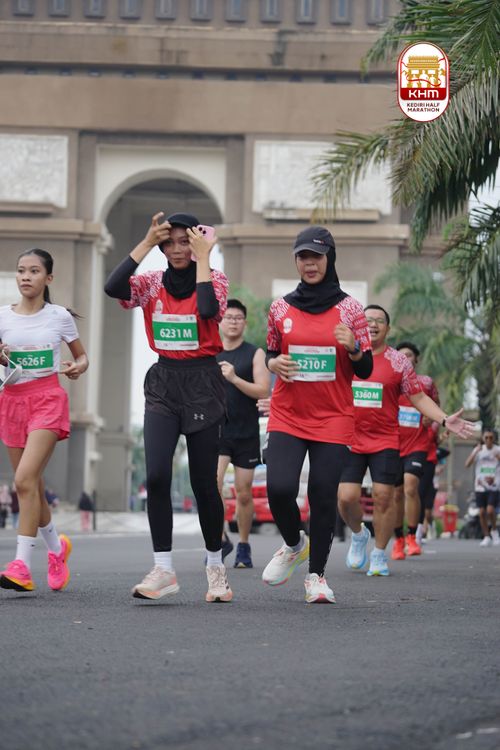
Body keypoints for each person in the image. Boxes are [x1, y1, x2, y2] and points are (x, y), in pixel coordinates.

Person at [104, 212, 232, 603]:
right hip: (163, 382)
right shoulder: (150, 283)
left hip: (203, 382)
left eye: (184, 242)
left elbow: (207, 309)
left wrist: (203, 258)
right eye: (169, 243)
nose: (177, 250)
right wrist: (145, 242)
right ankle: (163, 569)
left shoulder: (215, 279)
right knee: (157, 475)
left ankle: (215, 568)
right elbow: (112, 287)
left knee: (203, 484)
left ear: (196, 243)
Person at [261, 226, 373, 604]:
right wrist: (274, 364)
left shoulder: (351, 310)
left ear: (330, 259)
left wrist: (354, 348)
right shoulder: (280, 308)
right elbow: (270, 351)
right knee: (279, 488)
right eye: (303, 257)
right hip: (288, 414)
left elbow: (365, 370)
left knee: (323, 494)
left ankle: (317, 576)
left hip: (333, 416)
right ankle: (295, 545)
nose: (310, 264)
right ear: (296, 261)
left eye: (317, 257)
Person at [338, 305, 475, 577]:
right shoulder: (345, 356)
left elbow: (419, 397)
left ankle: (379, 554)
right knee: (346, 498)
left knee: (384, 497)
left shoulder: (398, 361)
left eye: (379, 320)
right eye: (367, 320)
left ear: (388, 329)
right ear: (358, 326)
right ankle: (359, 534)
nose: (373, 324)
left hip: (385, 439)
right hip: (350, 438)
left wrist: (444, 419)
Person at [0, 248, 88, 592]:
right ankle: (56, 549)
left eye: (34, 271)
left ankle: (21, 565)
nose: (26, 276)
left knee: (23, 480)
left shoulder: (59, 316)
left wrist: (77, 368)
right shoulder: (3, 316)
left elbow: (82, 357)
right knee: (31, 485)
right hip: (12, 401)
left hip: (47, 399)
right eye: (21, 270)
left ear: (48, 277)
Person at [216, 298, 270, 568]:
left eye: (238, 318)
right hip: (217, 430)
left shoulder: (254, 353)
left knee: (244, 492)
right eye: (228, 317)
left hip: (246, 431)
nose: (233, 322)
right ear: (220, 321)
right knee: (212, 485)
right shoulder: (210, 352)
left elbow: (263, 390)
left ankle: (244, 545)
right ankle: (220, 539)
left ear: (244, 323)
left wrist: (235, 378)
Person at [391, 341, 440, 560]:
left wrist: (432, 423)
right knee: (396, 493)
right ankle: (398, 540)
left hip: (418, 444)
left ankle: (412, 536)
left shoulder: (426, 383)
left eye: (409, 355)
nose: (405, 359)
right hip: (392, 444)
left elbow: (436, 410)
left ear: (416, 360)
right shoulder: (389, 382)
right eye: (401, 355)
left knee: (411, 487)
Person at [465, 430, 500, 547]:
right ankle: (486, 536)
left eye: (491, 438)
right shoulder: (479, 450)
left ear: (494, 439)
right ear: (483, 438)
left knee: (490, 510)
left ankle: (494, 531)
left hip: (494, 486)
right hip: (480, 486)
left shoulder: (498, 450)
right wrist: (475, 452)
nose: (488, 440)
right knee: (481, 512)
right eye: (486, 438)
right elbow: (467, 464)